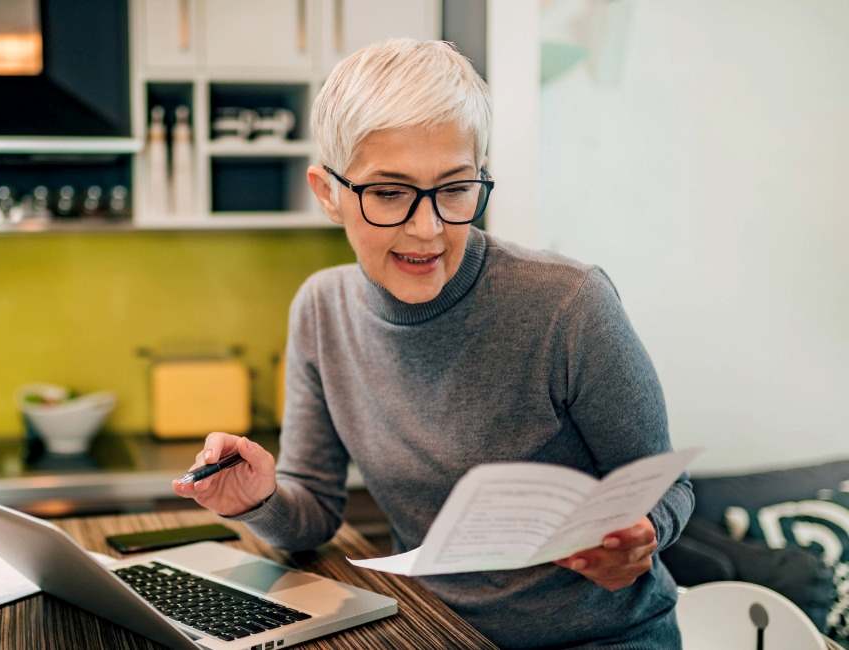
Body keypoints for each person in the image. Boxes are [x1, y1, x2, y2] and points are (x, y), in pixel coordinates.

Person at [173, 38, 693, 648]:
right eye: (389, 193)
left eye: (454, 189)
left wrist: (642, 535)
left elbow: (668, 487)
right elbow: (312, 512)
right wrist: (257, 499)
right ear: (328, 193)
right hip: (428, 630)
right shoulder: (322, 309)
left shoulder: (568, 302)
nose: (429, 228)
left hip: (601, 638)